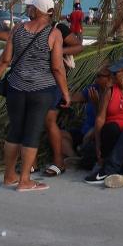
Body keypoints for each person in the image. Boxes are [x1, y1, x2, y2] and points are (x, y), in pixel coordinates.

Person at [0, 0, 71, 192]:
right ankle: (24, 180)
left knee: (15, 130)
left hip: (16, 88)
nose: (29, 9)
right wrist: (65, 92)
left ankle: (9, 175)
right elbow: (57, 67)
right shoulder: (54, 34)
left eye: (32, 7)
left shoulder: (18, 29)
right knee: (32, 131)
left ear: (37, 10)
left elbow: (5, 60)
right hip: (41, 90)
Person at [42, 20, 85, 176]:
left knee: (49, 121)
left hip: (54, 82)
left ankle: (58, 161)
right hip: (38, 82)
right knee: (39, 121)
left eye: (33, 8)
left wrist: (57, 50)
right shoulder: (30, 28)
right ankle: (34, 162)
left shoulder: (58, 28)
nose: (29, 11)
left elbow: (79, 46)